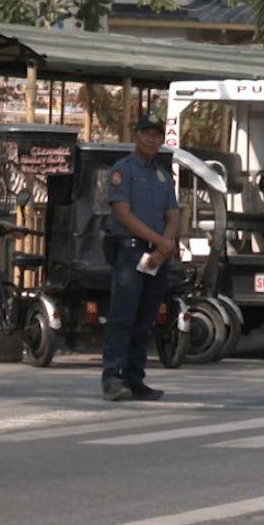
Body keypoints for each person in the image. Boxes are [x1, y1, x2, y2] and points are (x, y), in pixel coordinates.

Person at [100, 113, 180, 401]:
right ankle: (112, 378)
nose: (151, 138)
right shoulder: (122, 170)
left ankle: (135, 378)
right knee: (123, 316)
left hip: (158, 255)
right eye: (146, 132)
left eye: (157, 134)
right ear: (136, 135)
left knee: (146, 320)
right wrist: (160, 243)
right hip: (131, 251)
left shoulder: (162, 175)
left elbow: (173, 214)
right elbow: (123, 213)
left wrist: (165, 246)